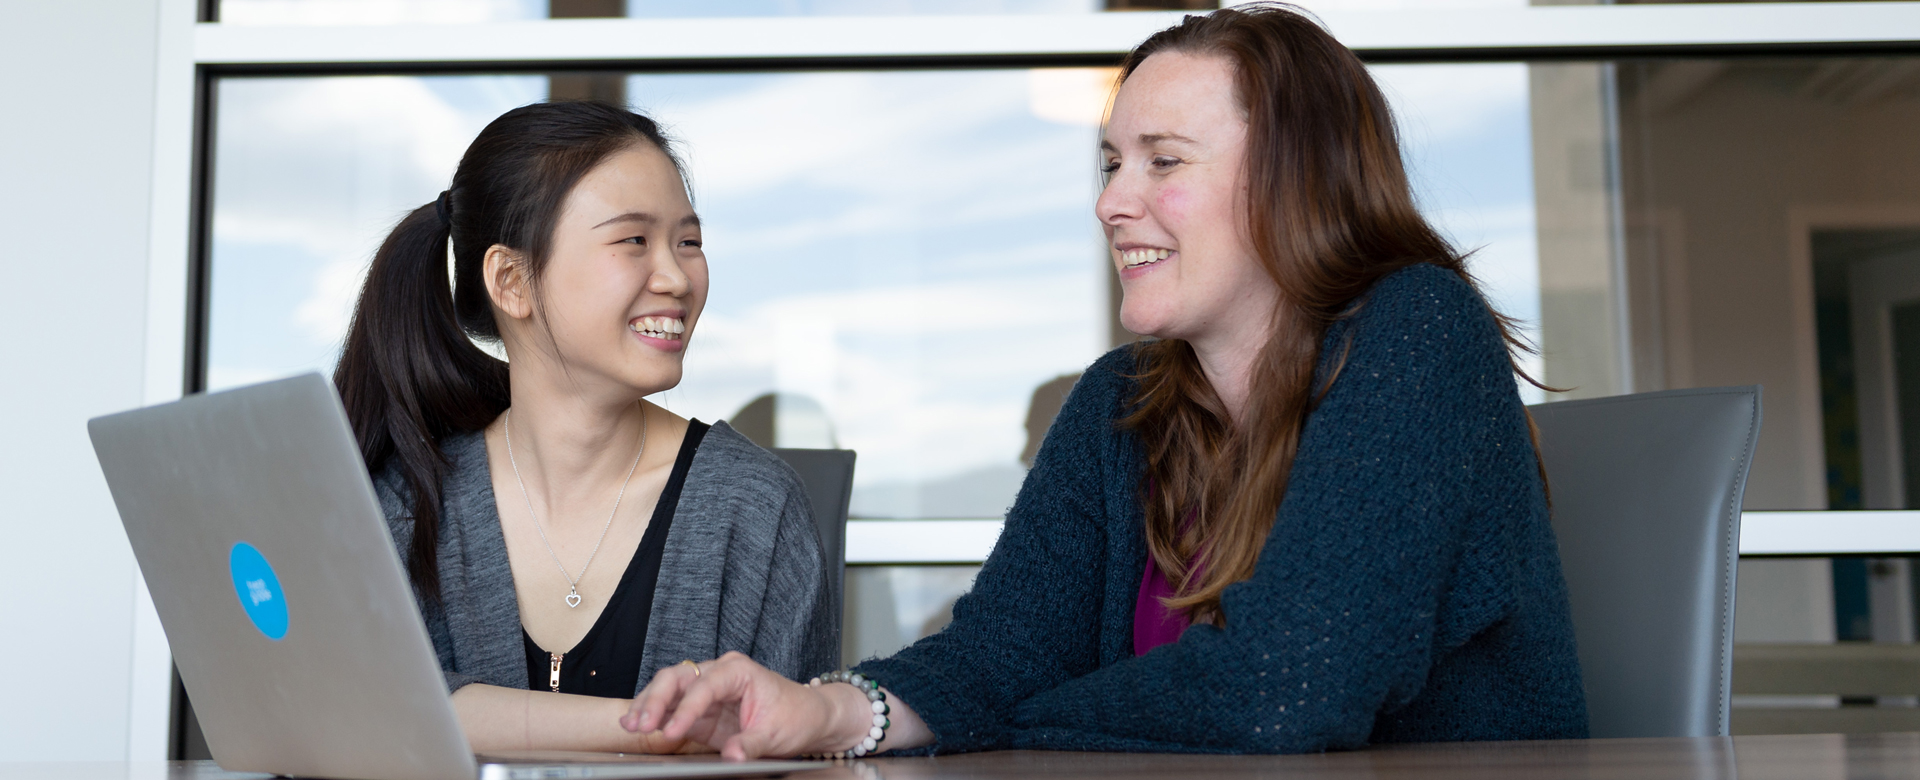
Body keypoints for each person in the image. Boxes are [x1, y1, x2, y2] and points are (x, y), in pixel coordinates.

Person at [621, 3, 1588, 757]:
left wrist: (1011, 715)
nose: (1111, 203)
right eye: (1111, 162)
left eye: (1162, 162)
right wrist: (831, 710)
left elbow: (1290, 691)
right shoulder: (1119, 402)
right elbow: (998, 655)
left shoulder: (1418, 330)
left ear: (1297, 180)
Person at [332, 100, 836, 753]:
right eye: (633, 240)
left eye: (689, 242)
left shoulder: (755, 510)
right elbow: (359, 713)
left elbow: (795, 750)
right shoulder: (409, 501)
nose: (677, 277)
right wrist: (663, 735)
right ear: (512, 281)